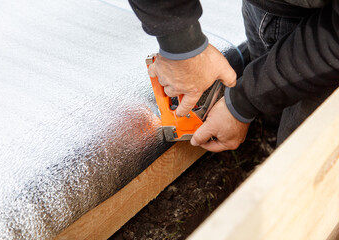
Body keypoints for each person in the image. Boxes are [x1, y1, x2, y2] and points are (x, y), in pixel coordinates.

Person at [129, 0, 339, 152]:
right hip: (265, 8)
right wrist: (181, 43)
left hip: (327, 39)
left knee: (297, 166)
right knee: (276, 124)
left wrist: (244, 101)